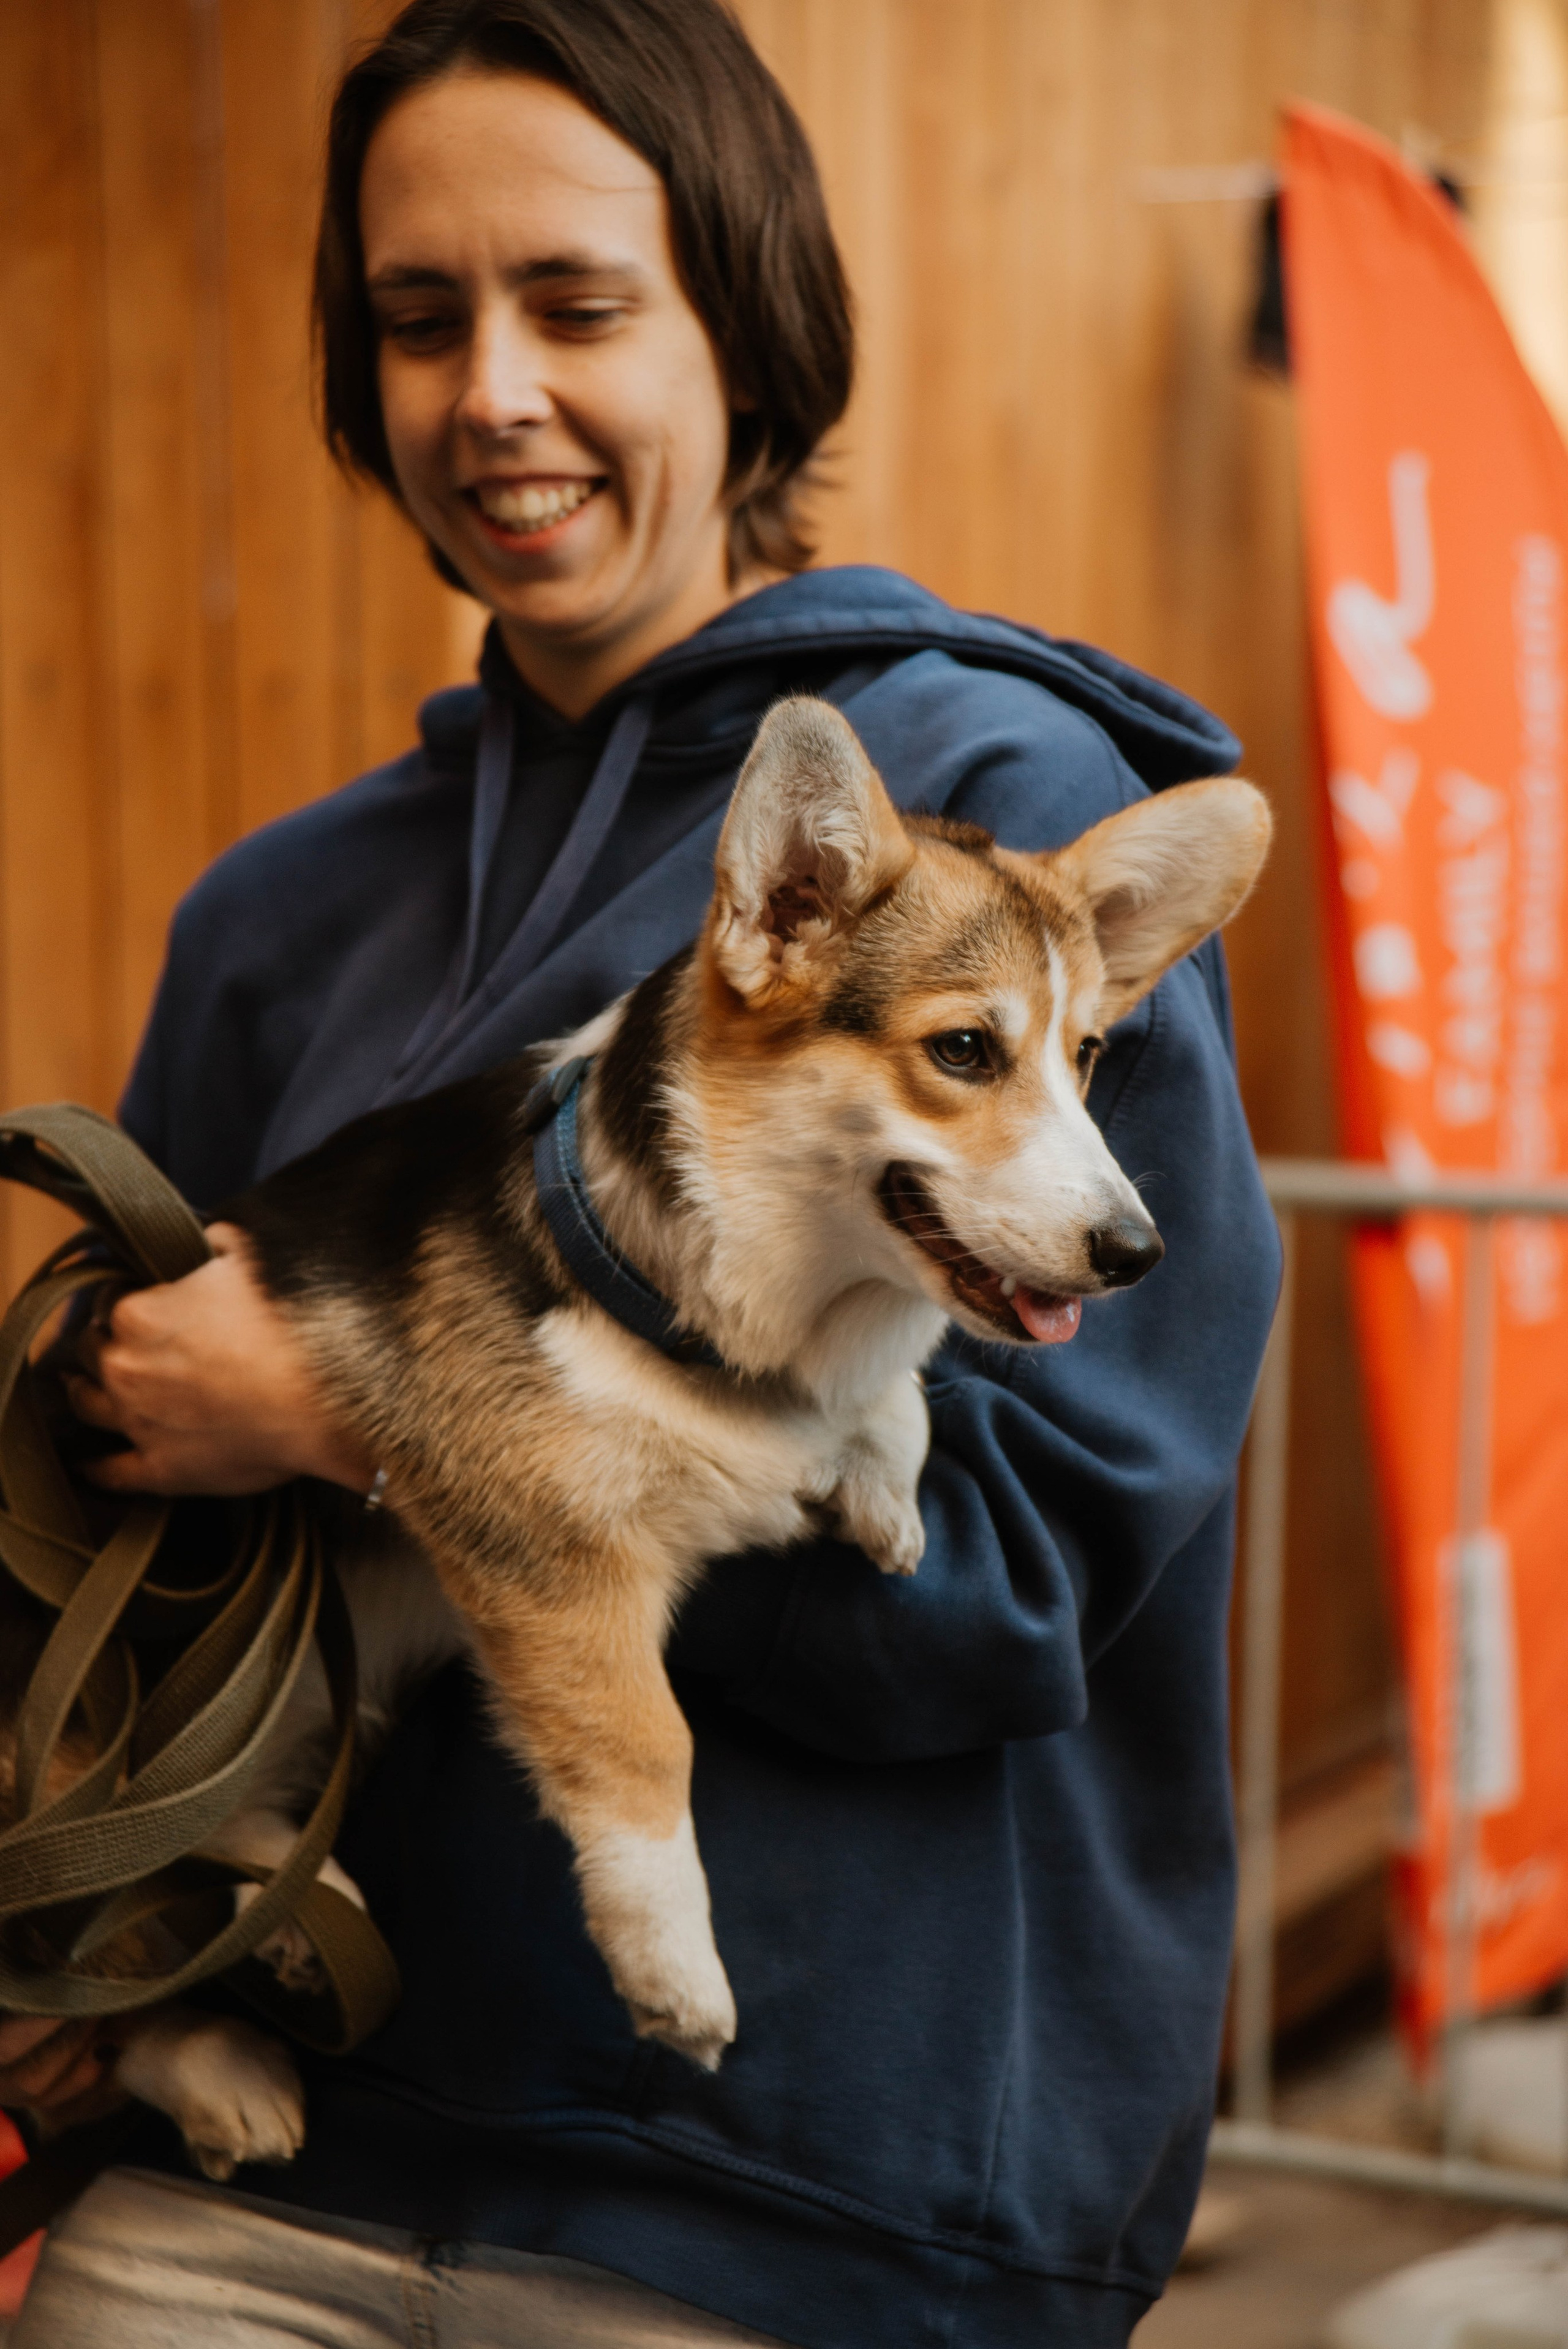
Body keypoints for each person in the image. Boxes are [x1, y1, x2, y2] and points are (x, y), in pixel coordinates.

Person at [2, 2, 1280, 2342]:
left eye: (577, 305)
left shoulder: (1002, 840)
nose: (492, 389)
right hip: (277, 2164)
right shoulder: (282, 916)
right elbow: (136, 1502)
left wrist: (367, 1409)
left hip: (799, 2218)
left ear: (748, 326)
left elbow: (1010, 1580)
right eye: (418, 316)